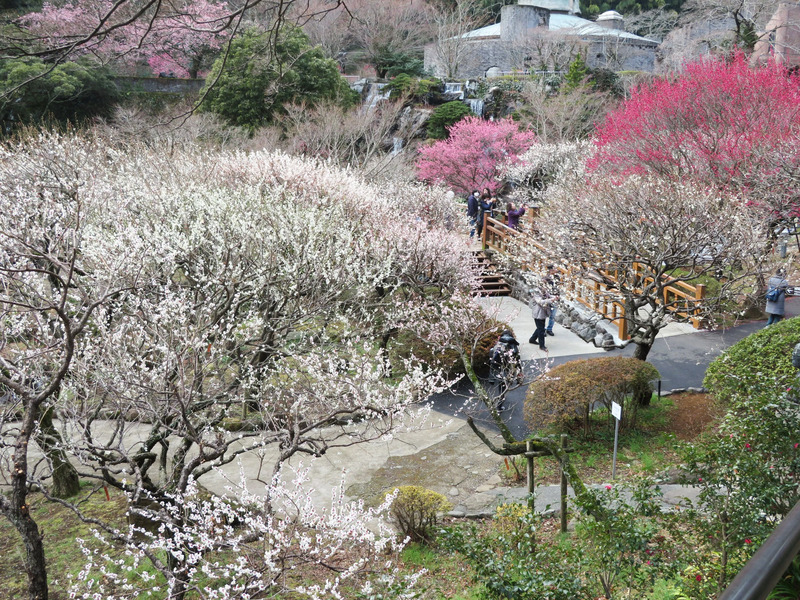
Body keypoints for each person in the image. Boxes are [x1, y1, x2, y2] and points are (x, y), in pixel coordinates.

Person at [529, 284, 555, 350]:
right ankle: (542, 346)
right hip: (538, 314)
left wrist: (555, 297)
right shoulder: (536, 293)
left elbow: (549, 295)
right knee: (541, 330)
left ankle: (532, 339)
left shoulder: (544, 292)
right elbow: (540, 302)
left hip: (543, 313)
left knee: (540, 328)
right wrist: (551, 300)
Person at [544, 264, 561, 336]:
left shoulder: (557, 277)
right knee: (544, 314)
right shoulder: (545, 278)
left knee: (553, 315)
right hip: (547, 297)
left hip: (555, 297)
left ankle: (549, 329)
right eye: (553, 269)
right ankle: (543, 329)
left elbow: (559, 286)